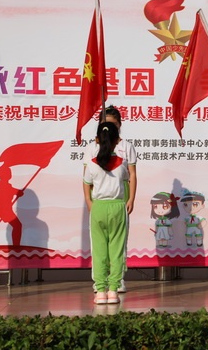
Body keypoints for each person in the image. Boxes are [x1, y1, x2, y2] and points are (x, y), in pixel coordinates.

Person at [85, 105, 136, 293]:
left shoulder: (126, 147)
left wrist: (131, 198)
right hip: (99, 200)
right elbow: (86, 178)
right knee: (99, 245)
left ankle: (117, 279)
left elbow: (132, 175)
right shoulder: (92, 148)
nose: (108, 128)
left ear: (119, 125)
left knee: (119, 242)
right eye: (104, 124)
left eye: (113, 124)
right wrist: (89, 201)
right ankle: (100, 281)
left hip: (119, 199)